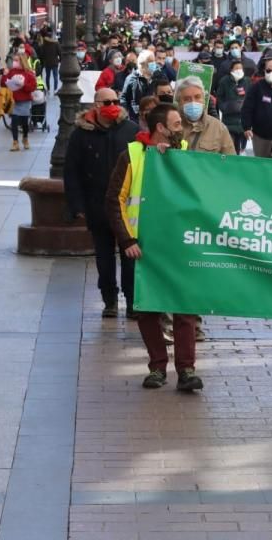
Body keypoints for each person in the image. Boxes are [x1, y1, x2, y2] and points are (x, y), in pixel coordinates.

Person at [106, 103, 204, 392]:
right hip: (144, 249)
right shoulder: (133, 155)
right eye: (176, 124)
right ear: (160, 128)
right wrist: (127, 240)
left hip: (181, 246)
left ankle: (186, 370)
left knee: (185, 309)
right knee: (148, 311)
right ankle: (157, 367)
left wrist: (172, 159)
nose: (181, 128)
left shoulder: (185, 154)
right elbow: (115, 201)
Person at [65, 87, 140, 318]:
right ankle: (109, 300)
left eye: (116, 101)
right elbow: (72, 172)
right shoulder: (81, 134)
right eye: (107, 101)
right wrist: (77, 206)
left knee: (130, 256)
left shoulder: (131, 130)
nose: (112, 105)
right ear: (96, 104)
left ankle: (132, 300)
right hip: (97, 206)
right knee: (104, 258)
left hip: (127, 208)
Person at [176, 77, 235, 154]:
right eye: (187, 99)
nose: (193, 102)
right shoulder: (170, 125)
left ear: (204, 99)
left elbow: (230, 161)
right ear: (179, 102)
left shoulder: (219, 128)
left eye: (197, 97)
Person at [2, 52, 38, 151]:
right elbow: (4, 83)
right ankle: (15, 142)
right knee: (14, 120)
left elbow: (33, 87)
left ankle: (25, 138)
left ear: (22, 61)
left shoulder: (29, 73)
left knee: (24, 122)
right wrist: (5, 76)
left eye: (17, 60)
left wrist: (23, 86)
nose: (14, 62)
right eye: (14, 60)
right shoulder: (11, 72)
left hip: (25, 101)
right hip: (14, 100)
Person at [215, 58, 249, 154]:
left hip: (243, 121)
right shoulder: (224, 81)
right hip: (229, 120)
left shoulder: (247, 81)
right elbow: (219, 97)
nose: (239, 71)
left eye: (240, 68)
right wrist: (224, 107)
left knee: (241, 147)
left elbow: (251, 97)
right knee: (230, 146)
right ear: (231, 70)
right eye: (236, 68)